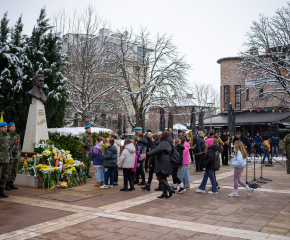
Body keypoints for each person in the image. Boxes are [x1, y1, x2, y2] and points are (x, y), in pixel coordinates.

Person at [142, 131, 175, 199]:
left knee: (159, 177)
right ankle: (165, 193)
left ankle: (170, 189)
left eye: (161, 135)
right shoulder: (168, 142)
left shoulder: (164, 143)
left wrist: (147, 154)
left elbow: (156, 150)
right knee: (163, 177)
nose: (160, 136)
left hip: (163, 162)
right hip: (166, 162)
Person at [5, 122, 21, 191]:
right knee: (9, 170)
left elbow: (18, 146)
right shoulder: (7, 136)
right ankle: (7, 184)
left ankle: (11, 183)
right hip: (10, 155)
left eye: (14, 126)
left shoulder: (17, 136)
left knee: (14, 170)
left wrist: (19, 154)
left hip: (16, 155)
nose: (14, 127)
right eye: (12, 126)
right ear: (9, 128)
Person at [0, 122, 11, 199]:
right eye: (4, 127)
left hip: (6, 159)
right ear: (0, 128)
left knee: (5, 176)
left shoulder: (7, 136)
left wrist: (10, 158)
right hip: (0, 160)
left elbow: (9, 148)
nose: (5, 128)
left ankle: (2, 191)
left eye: (6, 127)